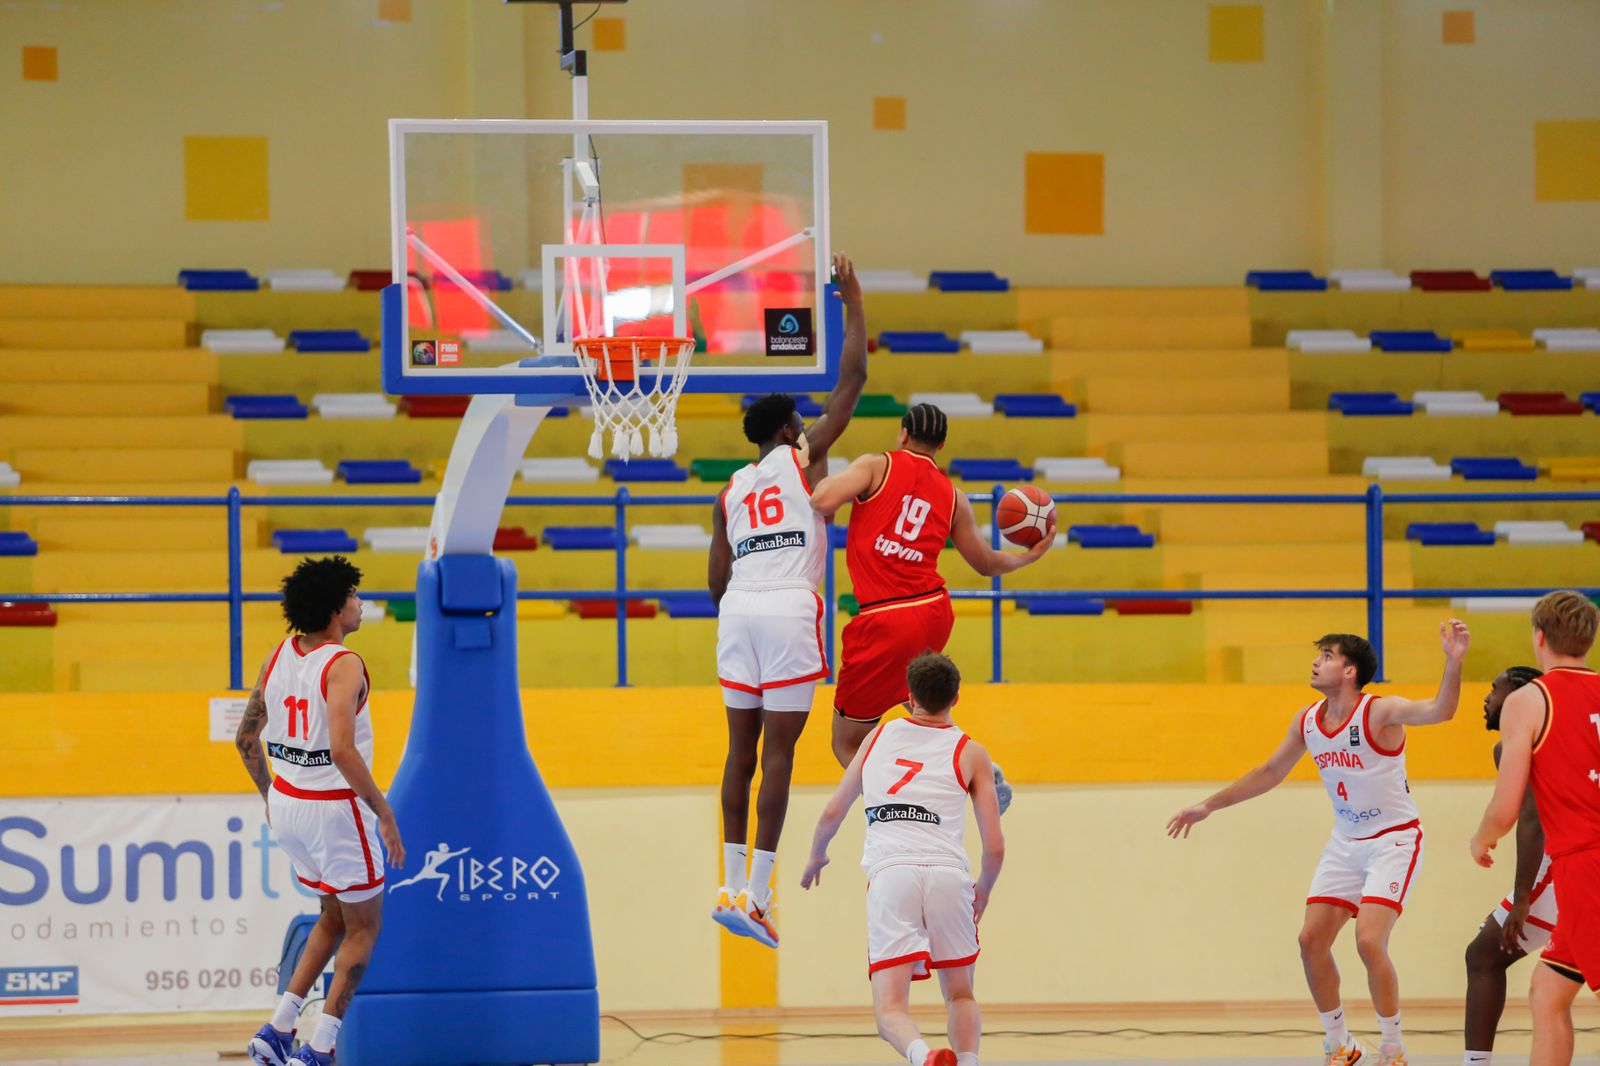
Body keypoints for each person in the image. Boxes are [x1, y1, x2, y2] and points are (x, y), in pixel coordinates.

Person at [1168, 621, 1471, 1066]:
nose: (1316, 661)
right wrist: (1209, 805)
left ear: (1350, 671)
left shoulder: (1379, 711)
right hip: (1346, 841)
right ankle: (1340, 1043)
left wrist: (1454, 662)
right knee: (1311, 941)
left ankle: (1392, 1046)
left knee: (1369, 941)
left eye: (1327, 656)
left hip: (1394, 840)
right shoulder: (1307, 720)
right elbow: (1270, 772)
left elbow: (1441, 710)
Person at [707, 251, 868, 948]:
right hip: (786, 608)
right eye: (801, 421)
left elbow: (714, 582)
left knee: (738, 753)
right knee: (780, 757)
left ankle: (730, 883)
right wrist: (851, 296)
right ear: (786, 432)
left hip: (738, 607)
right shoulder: (802, 459)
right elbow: (853, 379)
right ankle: (763, 899)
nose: (809, 426)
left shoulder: (731, 491)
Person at [808, 403, 1053, 776]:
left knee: (847, 741)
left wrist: (821, 466)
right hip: (935, 611)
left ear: (903, 433)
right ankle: (969, 762)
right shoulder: (954, 496)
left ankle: (894, 805)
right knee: (920, 704)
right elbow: (986, 563)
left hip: (886, 616)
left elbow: (821, 500)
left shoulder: (877, 465)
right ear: (942, 445)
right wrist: (1027, 558)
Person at [237, 556, 406, 1066]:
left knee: (332, 916)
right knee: (364, 927)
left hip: (289, 804)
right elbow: (341, 751)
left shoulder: (277, 656)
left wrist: (270, 796)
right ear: (336, 609)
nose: (360, 604)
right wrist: (384, 812)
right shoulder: (344, 663)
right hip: (334, 811)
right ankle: (321, 1047)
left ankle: (278, 1027)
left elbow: (246, 740)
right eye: (354, 596)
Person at [801, 652, 1003, 1066]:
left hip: (892, 873)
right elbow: (995, 846)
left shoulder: (878, 737)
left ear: (909, 697)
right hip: (949, 874)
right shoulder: (972, 752)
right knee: (961, 994)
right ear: (957, 697)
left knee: (891, 1009)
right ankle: (967, 1061)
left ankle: (924, 1055)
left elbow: (832, 812)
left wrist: (816, 856)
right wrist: (981, 890)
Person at [1471, 590, 1600, 1066]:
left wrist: (1482, 837)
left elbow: (1509, 807)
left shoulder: (1529, 700)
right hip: (1580, 869)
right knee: (1548, 990)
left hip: (1587, 863)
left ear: (1539, 636)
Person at [1463, 665, 1549, 1066]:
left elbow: (1532, 820)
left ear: (1516, 696)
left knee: (1484, 955)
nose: (1486, 698)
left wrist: (1522, 900)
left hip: (1567, 861)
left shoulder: (1515, 746)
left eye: (1493, 689)